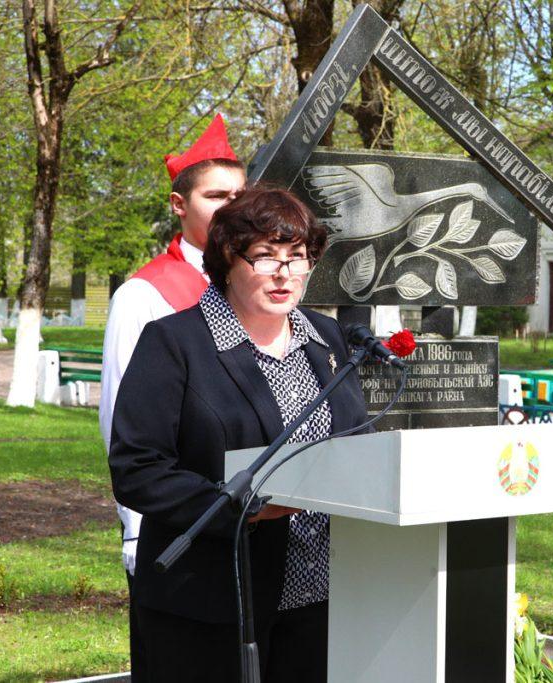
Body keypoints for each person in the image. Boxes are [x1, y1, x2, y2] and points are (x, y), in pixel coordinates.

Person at [108, 184, 369, 682]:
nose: (285, 273)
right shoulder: (175, 343)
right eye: (265, 256)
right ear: (228, 259)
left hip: (322, 597)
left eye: (297, 256)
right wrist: (243, 508)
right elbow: (137, 468)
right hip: (212, 603)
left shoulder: (327, 338)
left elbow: (355, 441)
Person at [98, 113, 246, 680]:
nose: (232, 208)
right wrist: (136, 526)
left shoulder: (261, 284)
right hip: (176, 521)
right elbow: (122, 422)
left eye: (240, 196)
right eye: (216, 196)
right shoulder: (146, 295)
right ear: (180, 205)